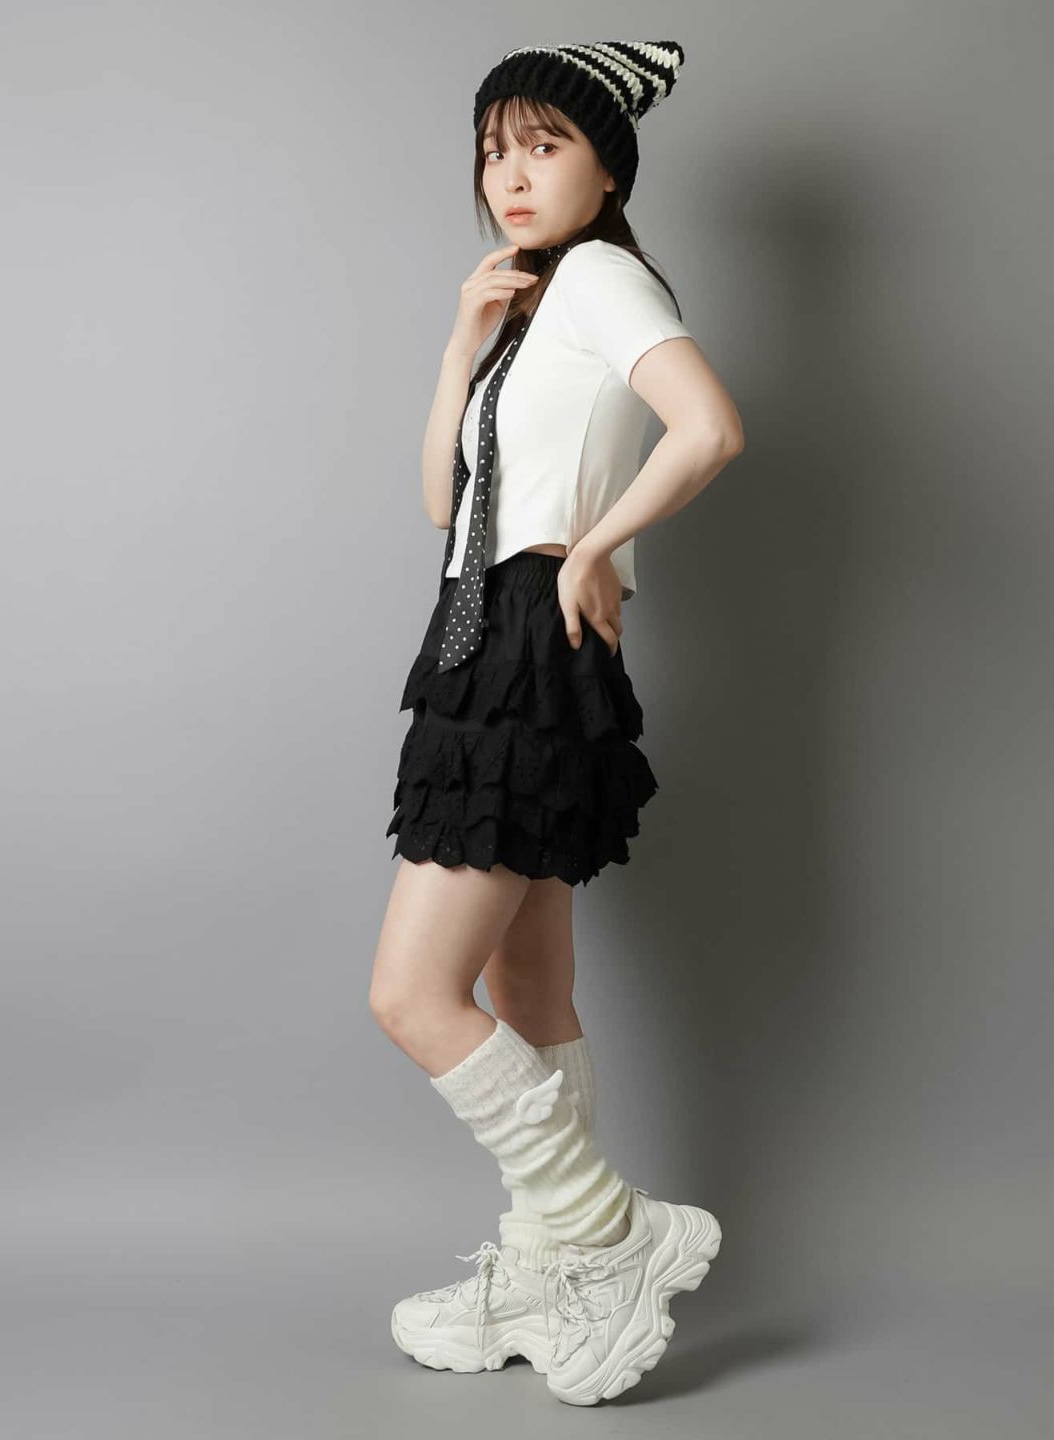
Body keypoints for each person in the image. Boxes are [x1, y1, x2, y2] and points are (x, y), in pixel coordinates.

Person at [370, 41, 745, 1406]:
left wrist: (596, 548)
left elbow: (708, 427)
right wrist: (461, 346)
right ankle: (550, 1269)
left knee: (414, 996)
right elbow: (442, 503)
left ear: (607, 170)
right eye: (493, 150)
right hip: (484, 635)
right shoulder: (531, 311)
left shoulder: (598, 279)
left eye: (543, 144)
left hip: (529, 637)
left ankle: (607, 1230)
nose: (510, 175)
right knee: (529, 992)